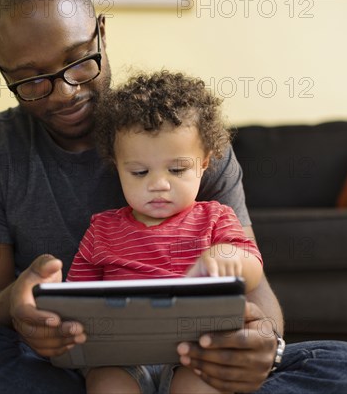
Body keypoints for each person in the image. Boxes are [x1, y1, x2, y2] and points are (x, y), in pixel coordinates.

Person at [0, 0, 347, 393]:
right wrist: (17, 305)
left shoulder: (184, 136)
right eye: (31, 79)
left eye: (80, 61)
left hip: (197, 362)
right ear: (0, 67)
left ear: (102, 33)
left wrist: (264, 348)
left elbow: (257, 289)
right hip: (81, 367)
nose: (65, 92)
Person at [66, 71, 265, 394]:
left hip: (197, 351)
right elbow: (76, 299)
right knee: (106, 383)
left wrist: (227, 257)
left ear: (204, 164)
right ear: (117, 167)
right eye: (139, 172)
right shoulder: (102, 229)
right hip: (121, 356)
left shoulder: (215, 218)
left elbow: (253, 268)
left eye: (177, 169)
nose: (159, 184)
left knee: (201, 385)